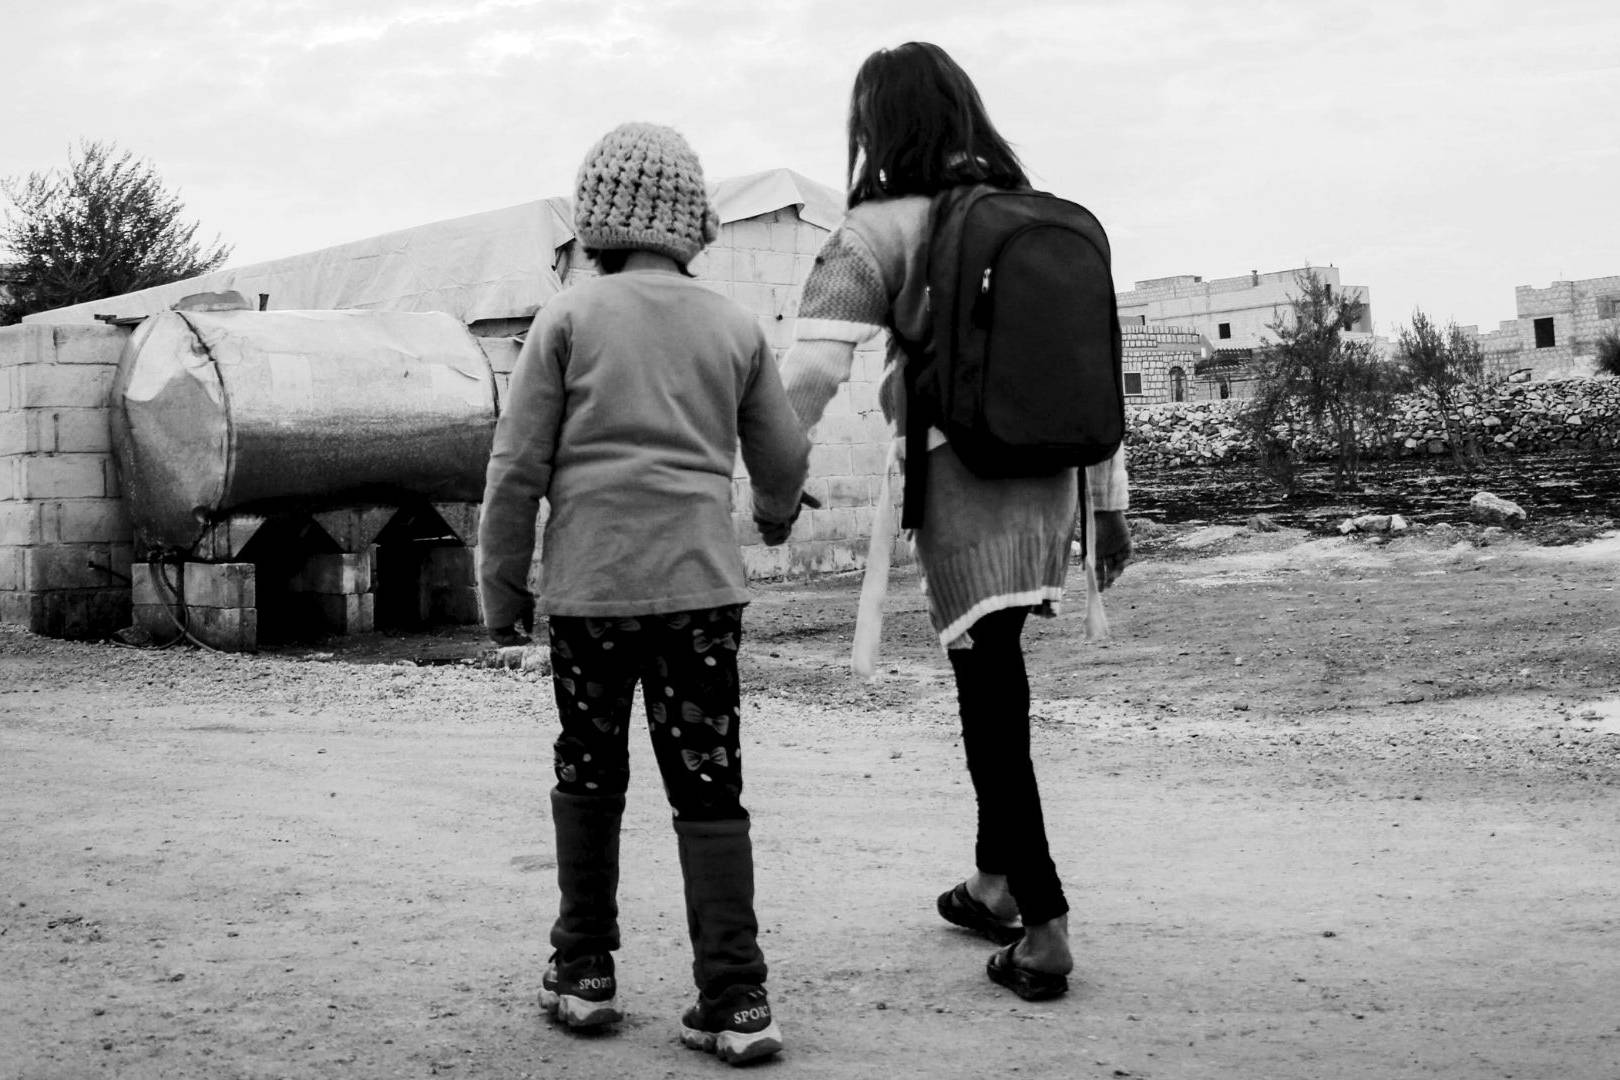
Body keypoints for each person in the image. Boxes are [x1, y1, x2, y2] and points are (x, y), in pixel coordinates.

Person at [778, 42, 1134, 1002]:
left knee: (992, 700)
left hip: (968, 490)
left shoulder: (878, 230)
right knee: (997, 676)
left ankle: (1044, 926)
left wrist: (773, 476)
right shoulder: (1036, 215)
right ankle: (993, 882)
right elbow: (1094, 368)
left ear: (877, 128)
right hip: (1053, 486)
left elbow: (811, 372)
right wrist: (1108, 512)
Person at [478, 122, 810, 1065]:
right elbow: (782, 457)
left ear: (596, 222)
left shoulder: (567, 319)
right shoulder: (734, 325)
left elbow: (515, 470)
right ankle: (736, 997)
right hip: (700, 596)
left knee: (589, 773)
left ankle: (584, 970)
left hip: (591, 595)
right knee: (710, 784)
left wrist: (502, 592)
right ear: (692, 223)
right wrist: (776, 517)